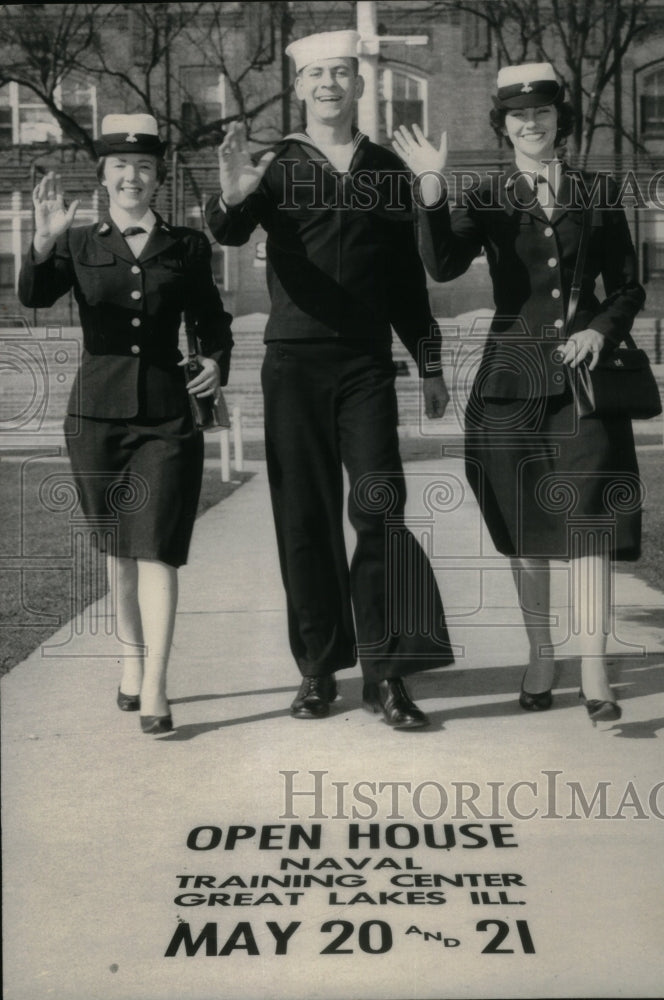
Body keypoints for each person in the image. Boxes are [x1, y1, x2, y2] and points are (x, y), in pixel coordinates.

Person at [206, 30, 454, 729]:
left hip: (367, 366)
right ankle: (317, 670)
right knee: (304, 517)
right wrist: (229, 196)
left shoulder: (387, 167)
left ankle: (386, 674)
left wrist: (430, 361)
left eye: (341, 73)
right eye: (317, 75)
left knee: (380, 507)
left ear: (359, 83)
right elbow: (228, 232)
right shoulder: (275, 163)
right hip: (294, 363)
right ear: (300, 85)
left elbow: (408, 281)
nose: (329, 85)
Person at [392, 63, 645, 726]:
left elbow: (627, 286)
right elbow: (442, 264)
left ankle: (594, 672)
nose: (531, 124)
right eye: (517, 116)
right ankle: (541, 656)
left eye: (542, 113)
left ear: (561, 118)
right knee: (527, 531)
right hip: (510, 386)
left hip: (586, 389)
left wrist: (598, 328)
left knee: (591, 527)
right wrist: (430, 188)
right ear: (503, 127)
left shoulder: (597, 191)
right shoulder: (487, 196)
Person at [19, 114, 233, 735]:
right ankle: (130, 663)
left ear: (157, 176)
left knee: (158, 552)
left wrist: (216, 362)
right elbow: (34, 297)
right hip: (95, 417)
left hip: (168, 418)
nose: (132, 176)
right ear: (104, 177)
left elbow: (213, 321)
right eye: (120, 166)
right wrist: (40, 242)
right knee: (119, 554)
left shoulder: (188, 246)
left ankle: (158, 688)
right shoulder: (78, 241)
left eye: (144, 167)